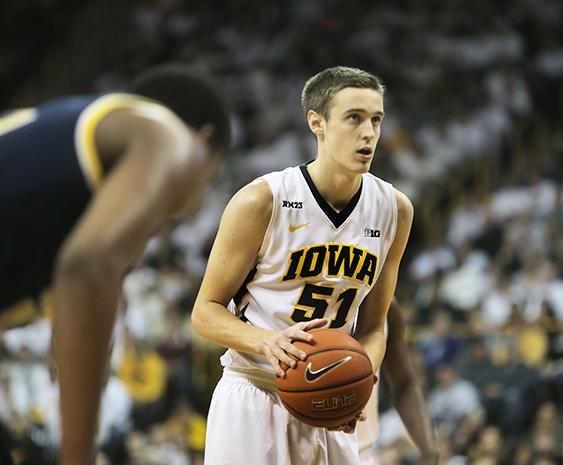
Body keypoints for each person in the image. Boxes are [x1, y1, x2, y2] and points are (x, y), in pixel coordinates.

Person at [0, 63, 231, 465]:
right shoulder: (169, 137)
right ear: (204, 138)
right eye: (210, 178)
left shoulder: (56, 161)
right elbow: (87, 265)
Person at [191, 66, 413, 465]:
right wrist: (265, 342)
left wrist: (361, 378)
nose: (369, 133)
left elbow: (375, 325)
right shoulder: (262, 201)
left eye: (376, 120)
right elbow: (204, 314)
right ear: (318, 123)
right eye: (354, 118)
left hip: (330, 404)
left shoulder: (394, 210)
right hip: (254, 392)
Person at [356, 298, 438, 465]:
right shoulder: (290, 295)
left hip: (359, 452)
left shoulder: (384, 302)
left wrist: (430, 453)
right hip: (295, 443)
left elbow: (405, 383)